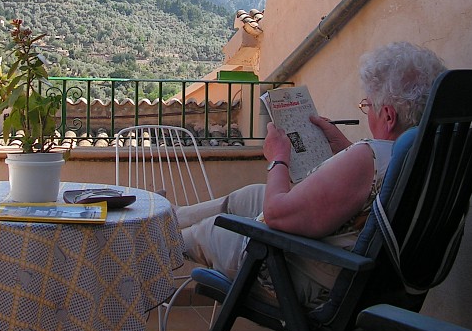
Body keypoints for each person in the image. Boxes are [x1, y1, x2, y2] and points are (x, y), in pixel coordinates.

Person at [176, 41, 447, 307]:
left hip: (298, 275)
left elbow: (277, 214)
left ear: (388, 116)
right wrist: (344, 149)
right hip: (377, 282)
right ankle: (173, 216)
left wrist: (278, 158)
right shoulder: (424, 156)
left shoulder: (369, 157)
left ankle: (154, 244)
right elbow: (374, 188)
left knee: (210, 229)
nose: (367, 113)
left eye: (368, 106)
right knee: (250, 196)